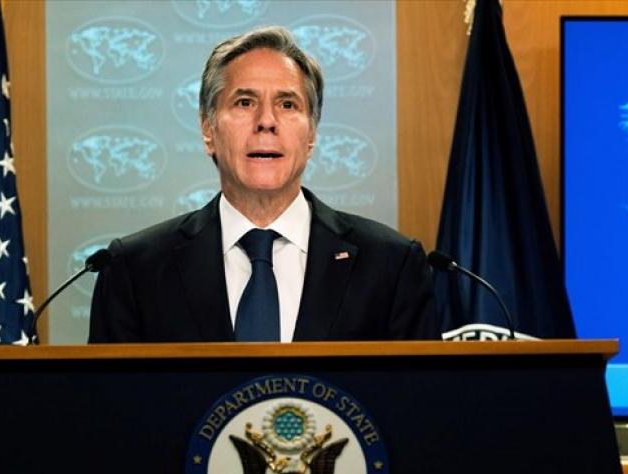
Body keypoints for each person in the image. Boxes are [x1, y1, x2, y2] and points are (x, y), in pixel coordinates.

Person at [88, 26, 438, 343]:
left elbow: (416, 393)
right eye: (245, 102)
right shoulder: (134, 271)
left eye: (287, 104)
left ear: (311, 134)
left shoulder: (391, 266)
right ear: (208, 129)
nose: (267, 121)